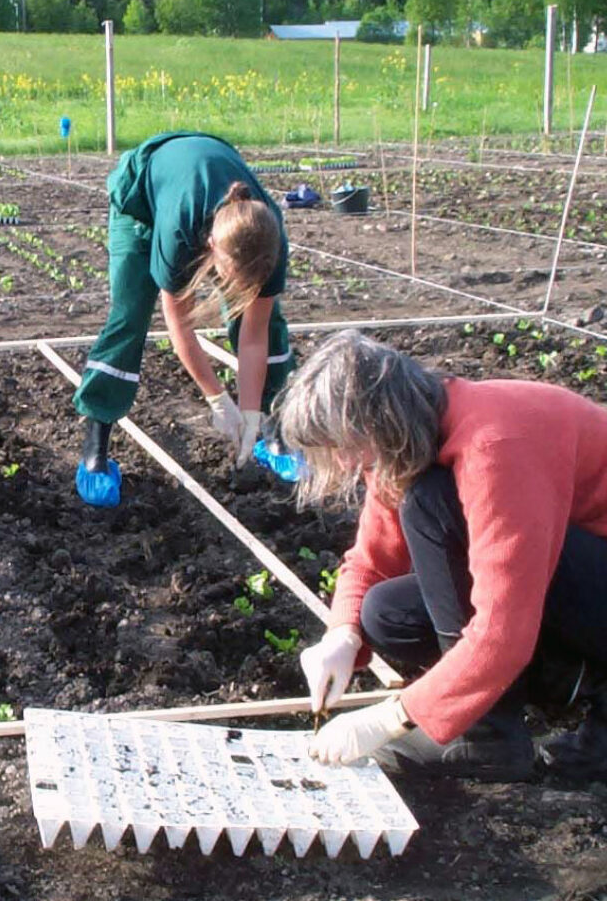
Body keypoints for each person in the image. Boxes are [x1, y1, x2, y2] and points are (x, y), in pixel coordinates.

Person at [283, 330, 607, 780]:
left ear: (381, 420)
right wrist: (342, 636)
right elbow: (371, 560)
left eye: (345, 446)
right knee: (386, 613)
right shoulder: (414, 434)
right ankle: (576, 681)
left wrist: (393, 716)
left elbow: (504, 631)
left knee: (430, 501)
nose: (343, 464)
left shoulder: (494, 446)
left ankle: (488, 737)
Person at [74, 131, 294, 507]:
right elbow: (180, 326)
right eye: (228, 276)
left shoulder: (268, 237)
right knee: (129, 316)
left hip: (209, 189)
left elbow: (254, 337)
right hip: (143, 201)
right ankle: (95, 447)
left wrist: (250, 414)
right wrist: (217, 399)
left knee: (268, 322)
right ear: (210, 247)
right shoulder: (178, 233)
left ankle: (273, 431)